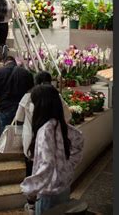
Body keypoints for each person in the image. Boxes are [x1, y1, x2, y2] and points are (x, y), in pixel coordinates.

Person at [20, 85, 84, 215]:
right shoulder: (59, 123)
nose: (32, 106)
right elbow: (79, 140)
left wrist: (30, 188)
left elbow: (47, 163)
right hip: (63, 186)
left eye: (33, 102)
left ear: (41, 104)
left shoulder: (45, 129)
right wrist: (67, 167)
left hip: (48, 191)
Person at [14, 71, 72, 214]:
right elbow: (68, 116)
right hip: (52, 140)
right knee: (49, 167)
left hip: (31, 139)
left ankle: (32, 203)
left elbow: (18, 118)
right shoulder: (55, 96)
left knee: (32, 166)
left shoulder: (28, 96)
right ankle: (42, 199)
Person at [0, 56, 34, 136]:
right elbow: (31, 89)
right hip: (22, 108)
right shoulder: (25, 73)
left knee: (5, 136)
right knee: (20, 134)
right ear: (15, 62)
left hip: (5, 107)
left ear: (4, 63)